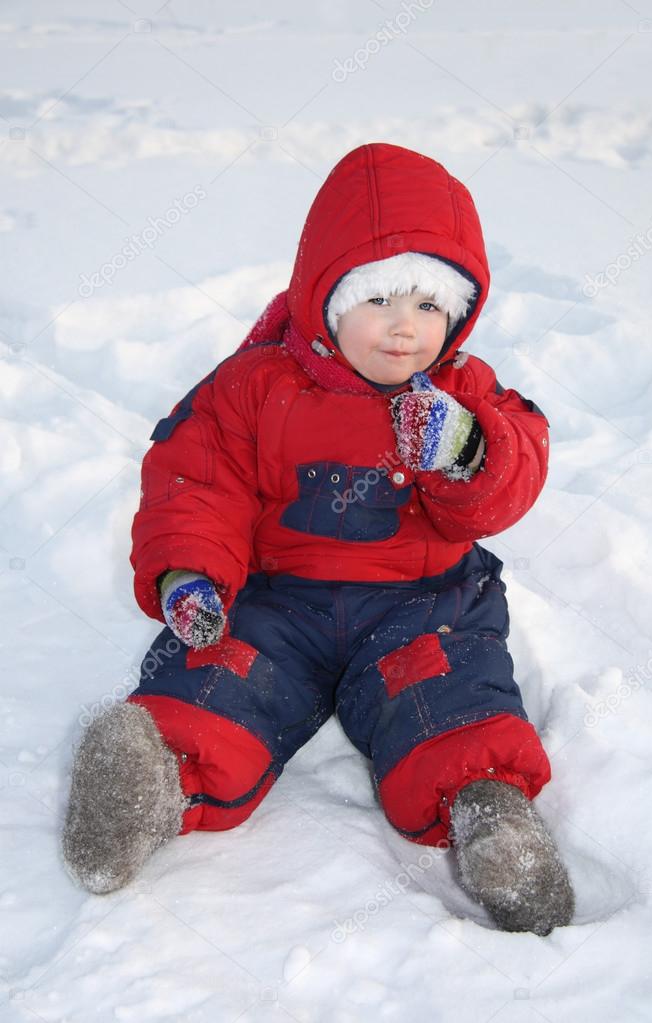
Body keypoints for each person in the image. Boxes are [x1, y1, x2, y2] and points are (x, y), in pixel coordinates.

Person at [62, 142, 574, 935]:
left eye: (430, 307)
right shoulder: (256, 385)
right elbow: (196, 481)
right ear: (324, 294)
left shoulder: (461, 393)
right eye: (380, 301)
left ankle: (491, 818)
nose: (406, 331)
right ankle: (146, 778)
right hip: (281, 598)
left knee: (445, 688)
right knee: (223, 670)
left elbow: (521, 465)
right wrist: (188, 575)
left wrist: (468, 449)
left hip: (420, 601)